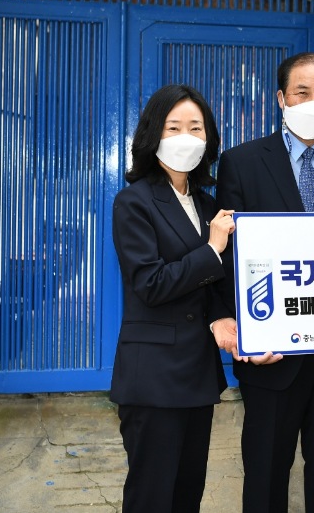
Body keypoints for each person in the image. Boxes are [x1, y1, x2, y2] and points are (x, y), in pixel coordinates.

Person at [213, 52, 314, 513]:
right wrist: (234, 324)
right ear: (281, 98)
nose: (313, 102)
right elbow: (227, 259)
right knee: (265, 473)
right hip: (270, 356)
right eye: (302, 92)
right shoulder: (241, 163)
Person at [109, 83, 237, 513]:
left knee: (187, 493)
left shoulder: (204, 203)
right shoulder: (134, 202)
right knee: (151, 496)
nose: (186, 136)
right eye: (174, 126)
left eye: (196, 127)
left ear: (208, 138)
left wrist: (222, 316)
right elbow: (151, 283)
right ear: (153, 134)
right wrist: (212, 248)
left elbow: (211, 285)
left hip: (197, 375)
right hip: (154, 377)